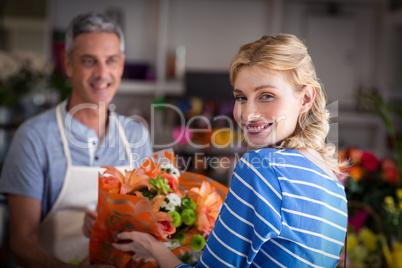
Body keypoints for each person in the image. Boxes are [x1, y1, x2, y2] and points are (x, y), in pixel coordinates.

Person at [111, 34, 348, 267]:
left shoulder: (262, 168)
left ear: (305, 98)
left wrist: (153, 249)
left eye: (266, 96)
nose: (248, 113)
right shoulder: (334, 184)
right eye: (241, 97)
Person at [0, 12, 152, 267]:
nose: (102, 73)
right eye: (89, 61)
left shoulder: (137, 136)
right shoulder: (33, 137)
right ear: (68, 64)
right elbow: (21, 242)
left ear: (121, 65)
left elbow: (150, 220)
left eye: (111, 60)